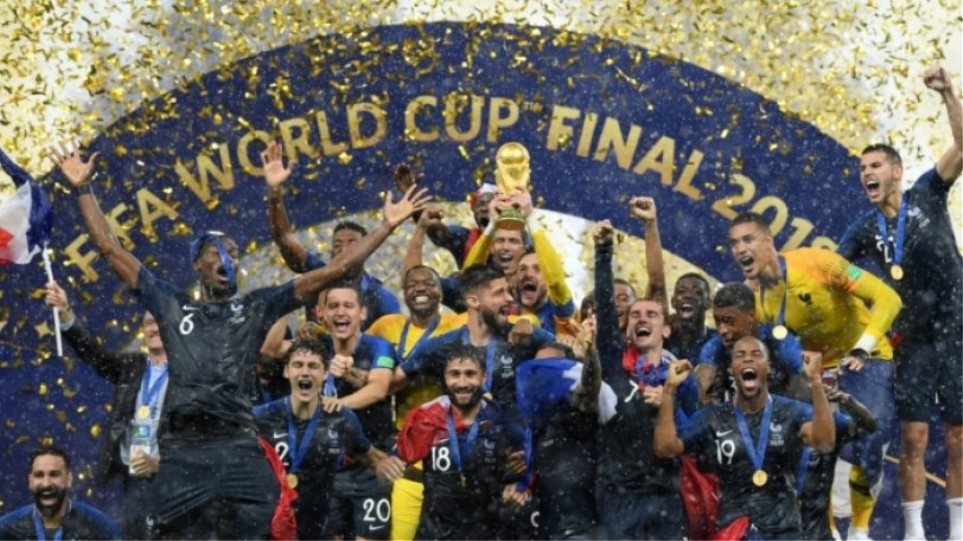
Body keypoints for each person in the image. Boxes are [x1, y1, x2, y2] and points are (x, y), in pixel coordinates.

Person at [49, 139, 429, 539]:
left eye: (232, 251)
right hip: (184, 449)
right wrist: (83, 188)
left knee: (279, 525)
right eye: (217, 251)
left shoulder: (255, 307)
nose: (227, 257)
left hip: (239, 445)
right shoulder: (171, 305)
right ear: (197, 264)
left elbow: (336, 270)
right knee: (148, 531)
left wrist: (387, 226)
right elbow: (110, 249)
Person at [836, 65, 963, 540]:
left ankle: (957, 531)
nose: (867, 174)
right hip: (911, 341)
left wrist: (948, 93)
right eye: (861, 169)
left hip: (958, 329)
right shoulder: (863, 229)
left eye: (875, 166)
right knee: (913, 437)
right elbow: (831, 273)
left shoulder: (927, 193)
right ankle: (914, 533)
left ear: (897, 171)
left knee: (959, 437)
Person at [728, 211, 901, 540]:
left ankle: (860, 530)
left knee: (870, 437)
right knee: (809, 447)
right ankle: (827, 530)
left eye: (748, 239)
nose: (740, 249)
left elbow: (888, 299)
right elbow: (777, 347)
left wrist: (862, 348)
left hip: (867, 357)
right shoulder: (753, 301)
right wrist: (804, 371)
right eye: (734, 244)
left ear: (769, 241)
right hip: (817, 372)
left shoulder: (817, 262)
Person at [654, 337, 835, 540]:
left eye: (756, 355)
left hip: (784, 530)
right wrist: (669, 390)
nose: (748, 359)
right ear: (731, 369)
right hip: (734, 529)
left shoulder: (789, 411)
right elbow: (665, 448)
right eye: (740, 355)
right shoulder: (713, 417)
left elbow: (825, 441)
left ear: (768, 368)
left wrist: (816, 382)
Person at [592, 217, 698, 539]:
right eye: (635, 315)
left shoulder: (680, 375)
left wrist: (668, 405)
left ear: (665, 330)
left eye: (651, 315)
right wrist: (603, 252)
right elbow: (605, 309)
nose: (642, 319)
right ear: (627, 329)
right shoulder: (613, 364)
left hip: (666, 495)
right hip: (618, 497)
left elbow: (694, 436)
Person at [367, 212, 468, 541]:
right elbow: (361, 362)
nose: (420, 288)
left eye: (429, 284)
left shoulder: (457, 325)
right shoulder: (386, 326)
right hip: (406, 445)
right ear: (404, 292)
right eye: (413, 286)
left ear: (442, 293)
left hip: (451, 442)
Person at [43, 282, 168, 539]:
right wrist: (65, 312)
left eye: (159, 322)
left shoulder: (187, 373)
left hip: (173, 475)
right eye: (148, 323)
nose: (153, 328)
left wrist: (165, 463)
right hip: (135, 476)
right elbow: (94, 355)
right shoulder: (132, 367)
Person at [378, 345, 524, 540]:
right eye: (454, 374)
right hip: (436, 530)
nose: (462, 383)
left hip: (489, 530)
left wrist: (520, 482)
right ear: (445, 378)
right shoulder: (426, 417)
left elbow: (523, 468)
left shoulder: (502, 419)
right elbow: (392, 464)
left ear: (484, 377)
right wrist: (385, 467)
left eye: (470, 374)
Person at [254, 339, 390, 541]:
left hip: (318, 526)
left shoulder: (341, 419)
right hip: (272, 525)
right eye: (298, 365)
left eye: (313, 366)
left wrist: (390, 466)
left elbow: (369, 456)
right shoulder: (261, 418)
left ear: (325, 373)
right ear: (286, 371)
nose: (305, 372)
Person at [266, 140, 400, 329]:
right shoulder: (317, 275)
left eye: (352, 243)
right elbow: (284, 238)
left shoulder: (381, 298)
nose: (343, 249)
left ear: (366, 248)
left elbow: (393, 343)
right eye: (337, 245)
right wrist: (275, 193)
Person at [513, 318, 618, 540]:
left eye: (551, 369)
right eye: (536, 369)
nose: (542, 376)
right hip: (542, 526)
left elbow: (589, 388)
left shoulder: (576, 407)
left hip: (579, 527)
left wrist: (591, 355)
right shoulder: (526, 419)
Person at [317, 283, 398, 540]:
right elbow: (273, 348)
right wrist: (287, 301)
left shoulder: (379, 347)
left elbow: (378, 389)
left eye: (348, 306)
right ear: (322, 314)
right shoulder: (316, 347)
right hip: (328, 467)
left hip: (372, 464)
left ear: (362, 313)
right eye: (333, 306)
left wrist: (336, 406)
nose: (340, 312)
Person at [694, 282, 808, 404]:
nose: (722, 330)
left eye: (729, 321)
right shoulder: (714, 348)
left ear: (751, 316)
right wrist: (705, 390)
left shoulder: (779, 342)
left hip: (781, 411)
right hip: (735, 412)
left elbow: (806, 382)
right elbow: (703, 397)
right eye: (718, 322)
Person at [798, 387, 880, 541]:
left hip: (816, 529)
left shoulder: (833, 424)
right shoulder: (777, 421)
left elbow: (869, 426)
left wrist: (847, 400)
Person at [0, 447, 120, 540]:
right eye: (39, 475)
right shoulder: (7, 529)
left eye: (54, 475)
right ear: (30, 481)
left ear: (69, 480)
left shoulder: (100, 528)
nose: (46, 484)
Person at [664, 272, 715, 363]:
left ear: (708, 303)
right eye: (681, 291)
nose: (688, 295)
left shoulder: (718, 340)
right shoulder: (662, 340)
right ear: (673, 301)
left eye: (697, 292)